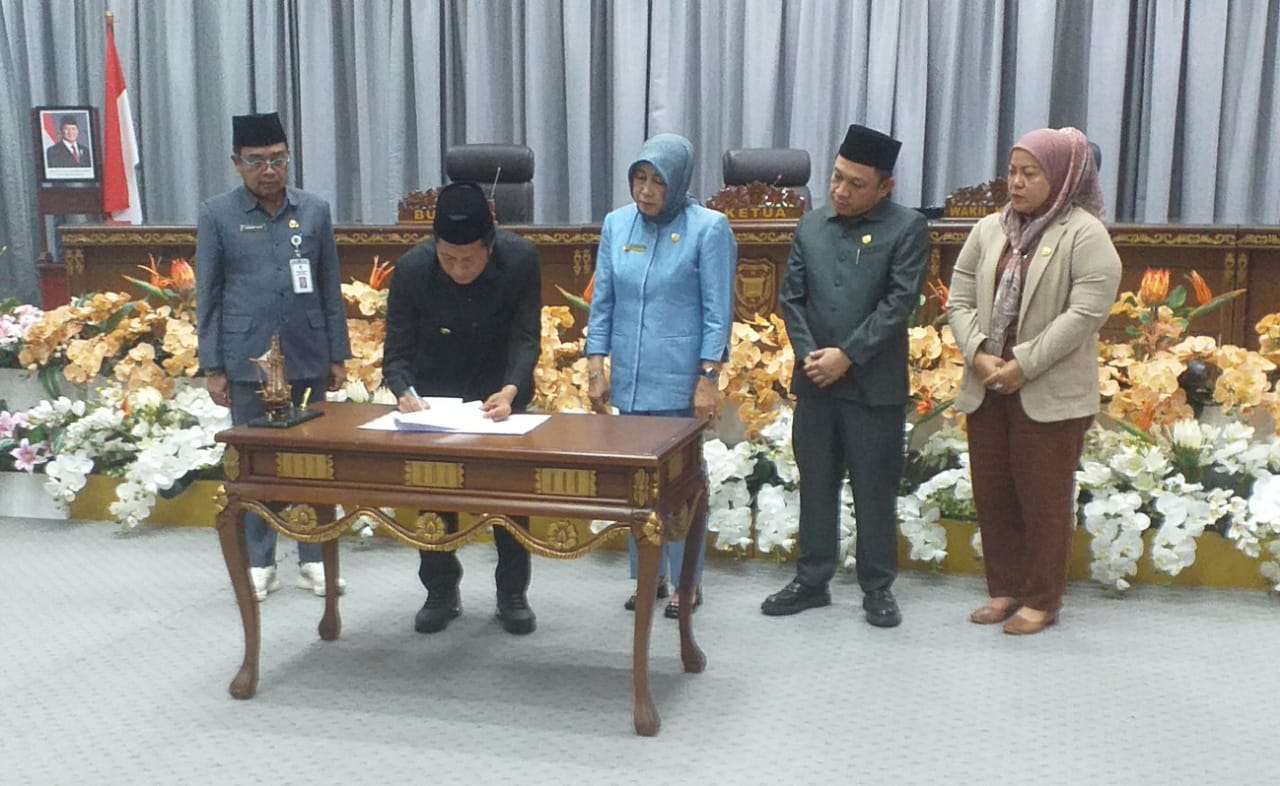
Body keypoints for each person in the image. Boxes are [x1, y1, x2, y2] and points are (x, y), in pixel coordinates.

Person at [947, 127, 1120, 635]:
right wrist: (978, 353)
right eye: (1012, 172)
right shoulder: (989, 229)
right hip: (987, 383)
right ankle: (1003, 588)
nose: (1017, 183)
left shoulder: (1085, 234)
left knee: (1043, 499)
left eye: (1030, 173)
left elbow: (1085, 313)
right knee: (993, 492)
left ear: (1062, 177)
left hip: (1047, 388)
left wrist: (1022, 363)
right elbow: (958, 297)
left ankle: (1042, 598)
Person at [761, 124, 928, 627]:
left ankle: (877, 587)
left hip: (873, 386)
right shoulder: (811, 225)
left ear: (885, 187)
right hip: (816, 382)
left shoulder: (907, 228)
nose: (840, 190)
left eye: (856, 184)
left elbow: (898, 304)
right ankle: (812, 580)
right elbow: (791, 298)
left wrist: (847, 356)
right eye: (837, 177)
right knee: (817, 483)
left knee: (874, 490)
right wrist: (811, 356)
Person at [195, 111, 351, 601]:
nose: (269, 170)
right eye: (257, 161)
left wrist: (338, 353)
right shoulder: (217, 214)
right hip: (247, 358)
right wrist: (213, 365)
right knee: (253, 464)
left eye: (278, 160)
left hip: (307, 352)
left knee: (312, 462)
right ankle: (259, 561)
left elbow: (329, 287)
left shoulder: (315, 210)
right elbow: (208, 294)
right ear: (236, 163)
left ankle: (313, 558)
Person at [586, 133, 736, 618]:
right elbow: (603, 302)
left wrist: (708, 378)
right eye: (639, 178)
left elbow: (718, 312)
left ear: (679, 182)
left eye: (657, 181)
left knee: (681, 486)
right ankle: (649, 576)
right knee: (638, 483)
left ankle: (686, 581)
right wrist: (595, 364)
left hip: (680, 382)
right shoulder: (617, 225)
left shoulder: (708, 229)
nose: (646, 191)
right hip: (630, 380)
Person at [383, 181, 542, 636]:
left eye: (468, 260)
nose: (457, 269)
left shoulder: (521, 259)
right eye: (447, 258)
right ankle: (439, 591)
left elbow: (526, 336)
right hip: (436, 396)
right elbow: (396, 353)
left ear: (490, 245)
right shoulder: (413, 269)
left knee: (509, 497)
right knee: (433, 497)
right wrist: (404, 392)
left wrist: (511, 389)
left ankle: (512, 594)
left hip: (500, 394)